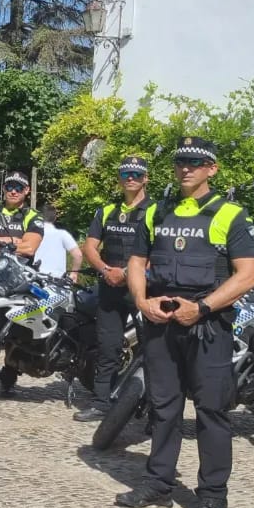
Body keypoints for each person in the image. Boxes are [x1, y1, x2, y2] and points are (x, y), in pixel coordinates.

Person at [117, 137, 254, 508]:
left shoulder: (230, 214)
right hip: (161, 322)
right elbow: (135, 261)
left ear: (212, 168)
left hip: (208, 325)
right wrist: (142, 301)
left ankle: (213, 495)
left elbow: (247, 275)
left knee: (212, 411)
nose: (186, 168)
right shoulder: (156, 212)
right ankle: (157, 483)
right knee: (163, 408)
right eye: (181, 161)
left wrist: (203, 308)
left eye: (196, 162)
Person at [74, 156, 151, 423]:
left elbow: (160, 251)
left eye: (137, 174)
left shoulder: (157, 211)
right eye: (126, 174)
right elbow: (90, 248)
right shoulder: (106, 211)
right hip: (110, 286)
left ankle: (153, 409)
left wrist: (129, 273)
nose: (131, 178)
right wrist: (107, 271)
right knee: (107, 348)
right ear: (120, 178)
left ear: (145, 179)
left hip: (143, 289)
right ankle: (100, 403)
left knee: (153, 350)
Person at [0, 172, 46, 396]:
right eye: (9, 187)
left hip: (19, 281)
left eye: (18, 187)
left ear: (27, 191)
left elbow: (30, 248)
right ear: (3, 189)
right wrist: (15, 241)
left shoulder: (34, 216)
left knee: (15, 333)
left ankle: (8, 377)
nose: (13, 191)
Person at [34, 203, 83, 275]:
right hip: (57, 278)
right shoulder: (62, 234)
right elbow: (78, 255)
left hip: (34, 275)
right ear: (55, 218)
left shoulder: (32, 233)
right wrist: (74, 274)